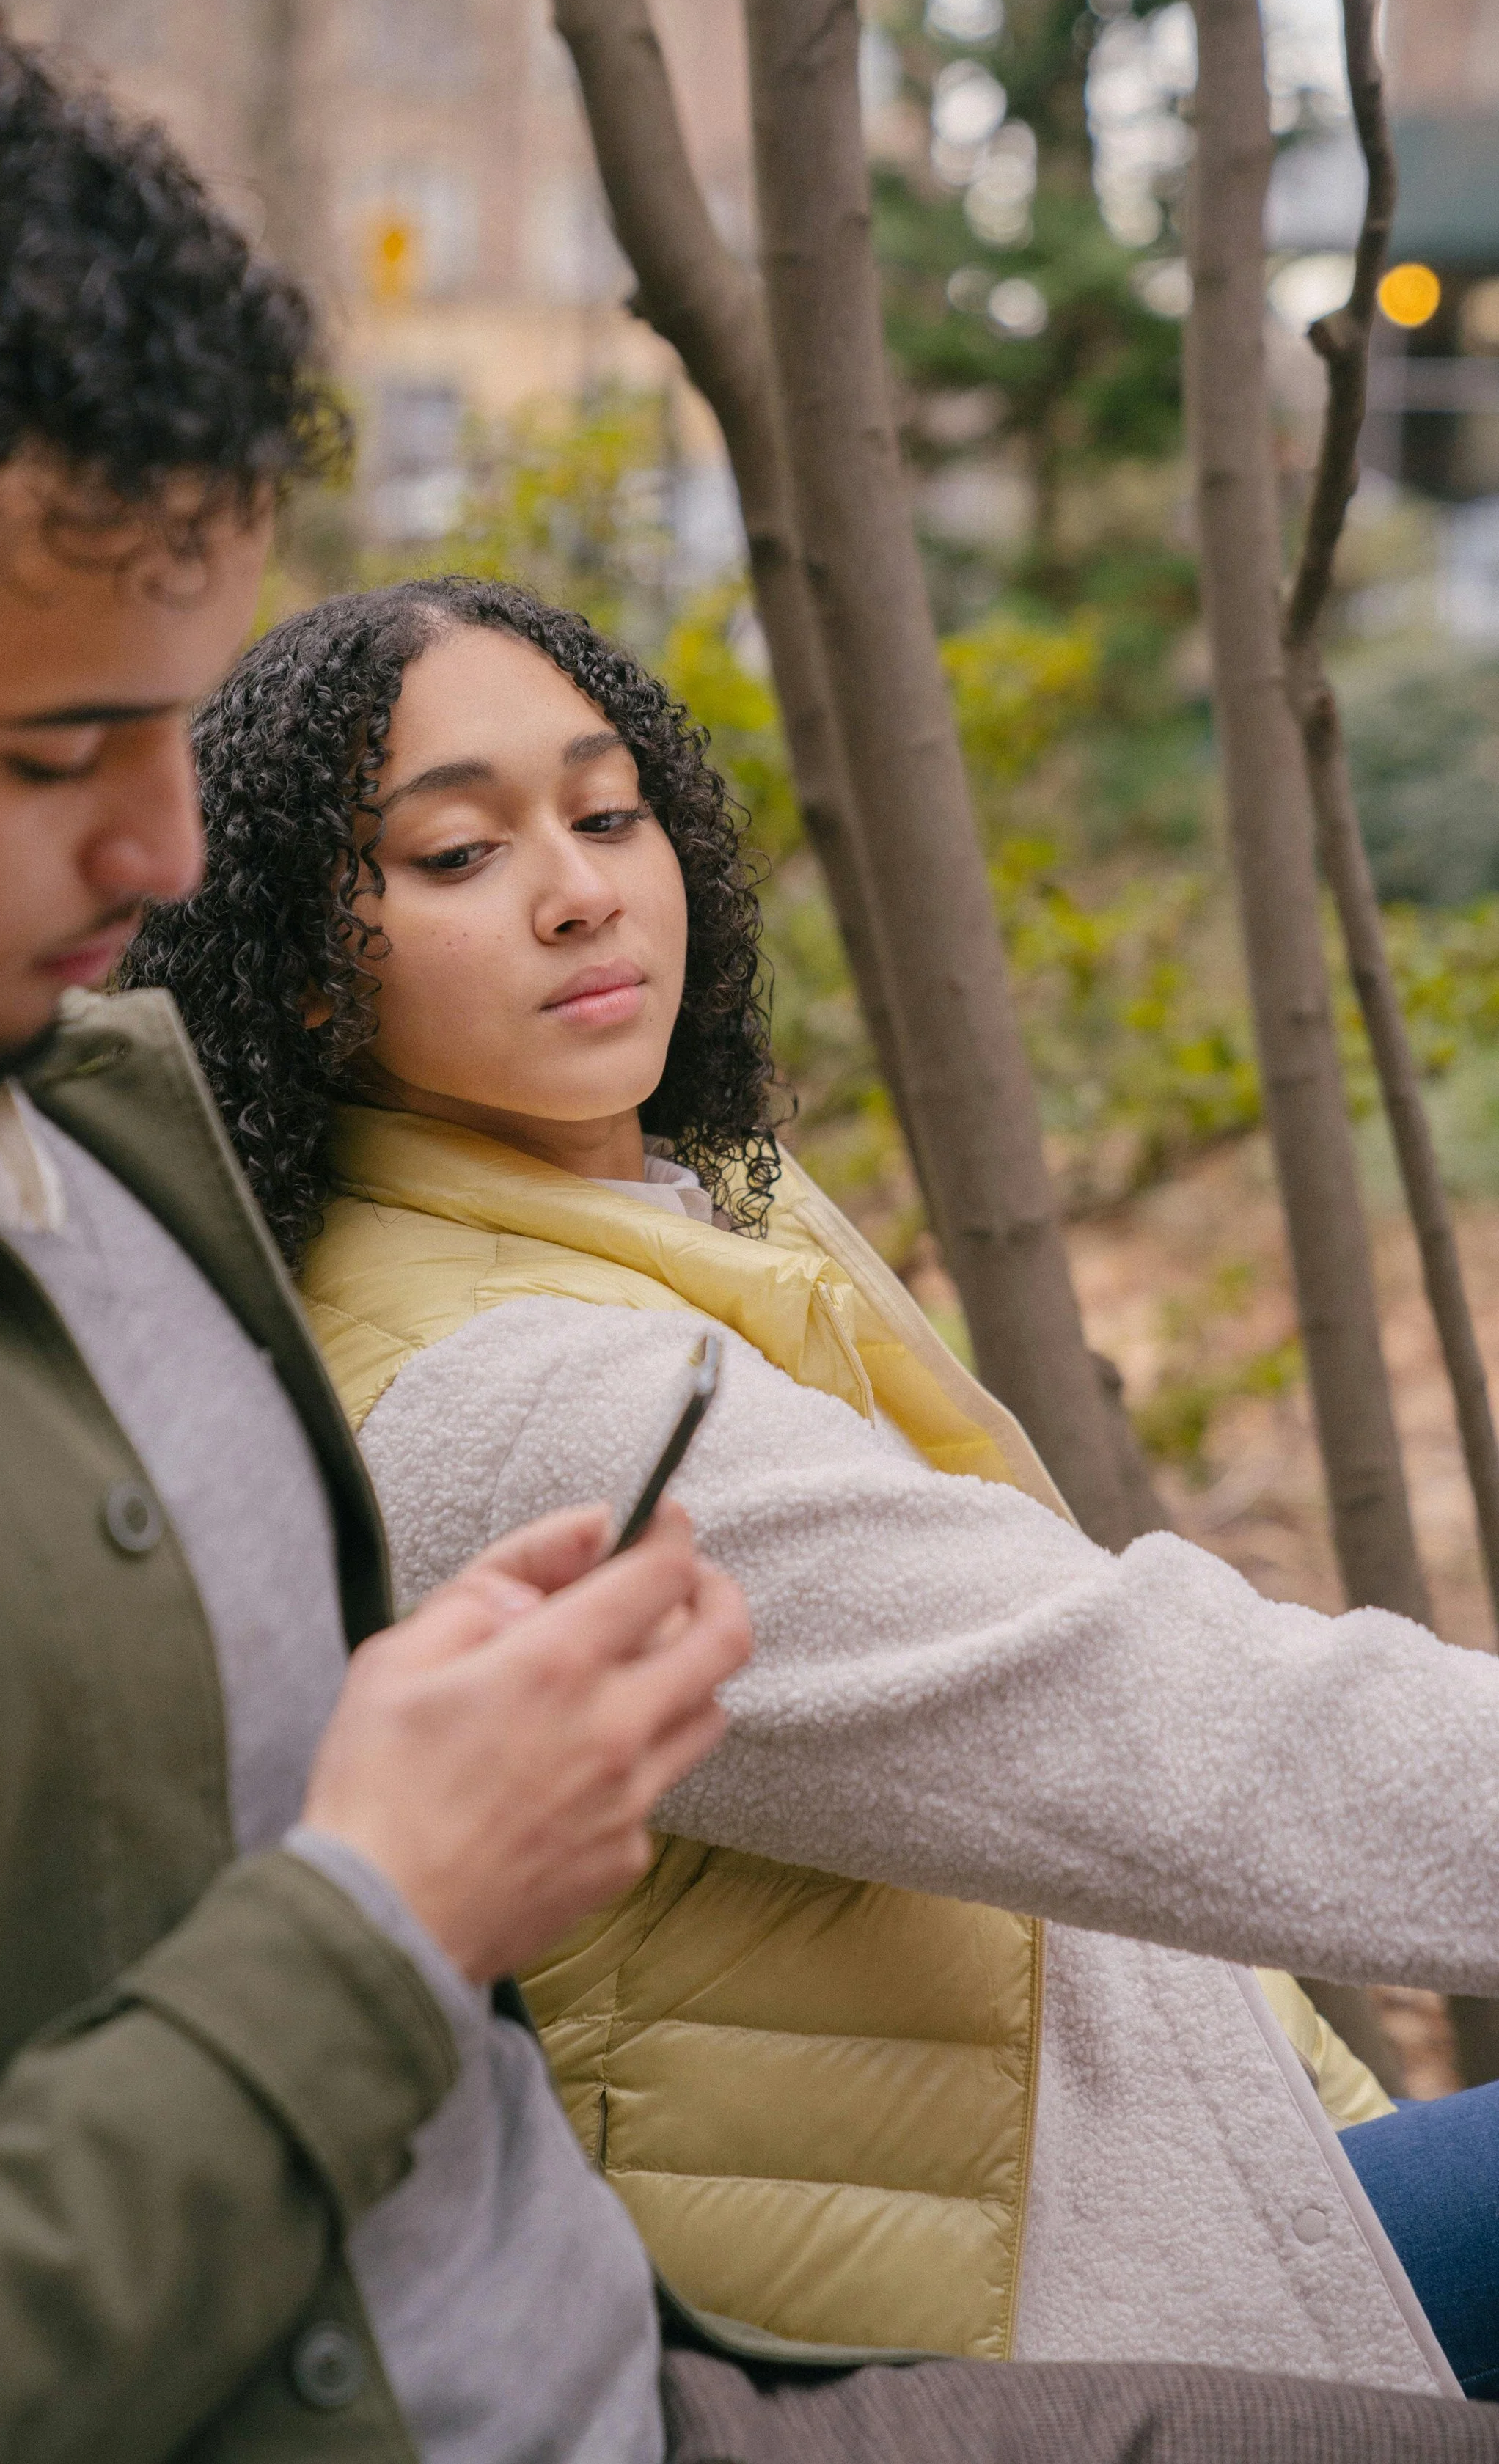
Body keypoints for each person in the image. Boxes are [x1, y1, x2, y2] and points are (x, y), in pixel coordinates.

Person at [0, 0, 1484, 2464]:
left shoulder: (113, 1136)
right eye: (50, 754)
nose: (164, 852)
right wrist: (385, 1909)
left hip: (720, 2339)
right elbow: (1160, 1730)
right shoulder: (501, 1373)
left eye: (611, 809)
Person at [131, 568, 1499, 2410]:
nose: (577, 889)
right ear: (301, 971)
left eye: (607, 814)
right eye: (455, 858)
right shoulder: (538, 1403)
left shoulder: (662, 1220)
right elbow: (1161, 1723)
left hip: (1124, 2193)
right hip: (1007, 2348)